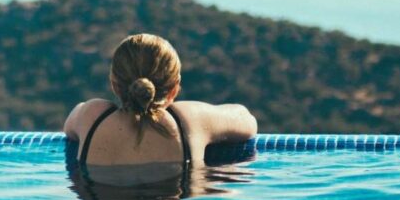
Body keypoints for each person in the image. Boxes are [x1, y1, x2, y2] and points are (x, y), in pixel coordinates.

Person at [64, 33, 257, 168]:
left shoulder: (92, 116)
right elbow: (246, 120)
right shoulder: (189, 120)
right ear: (174, 89)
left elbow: (69, 128)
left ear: (114, 84)